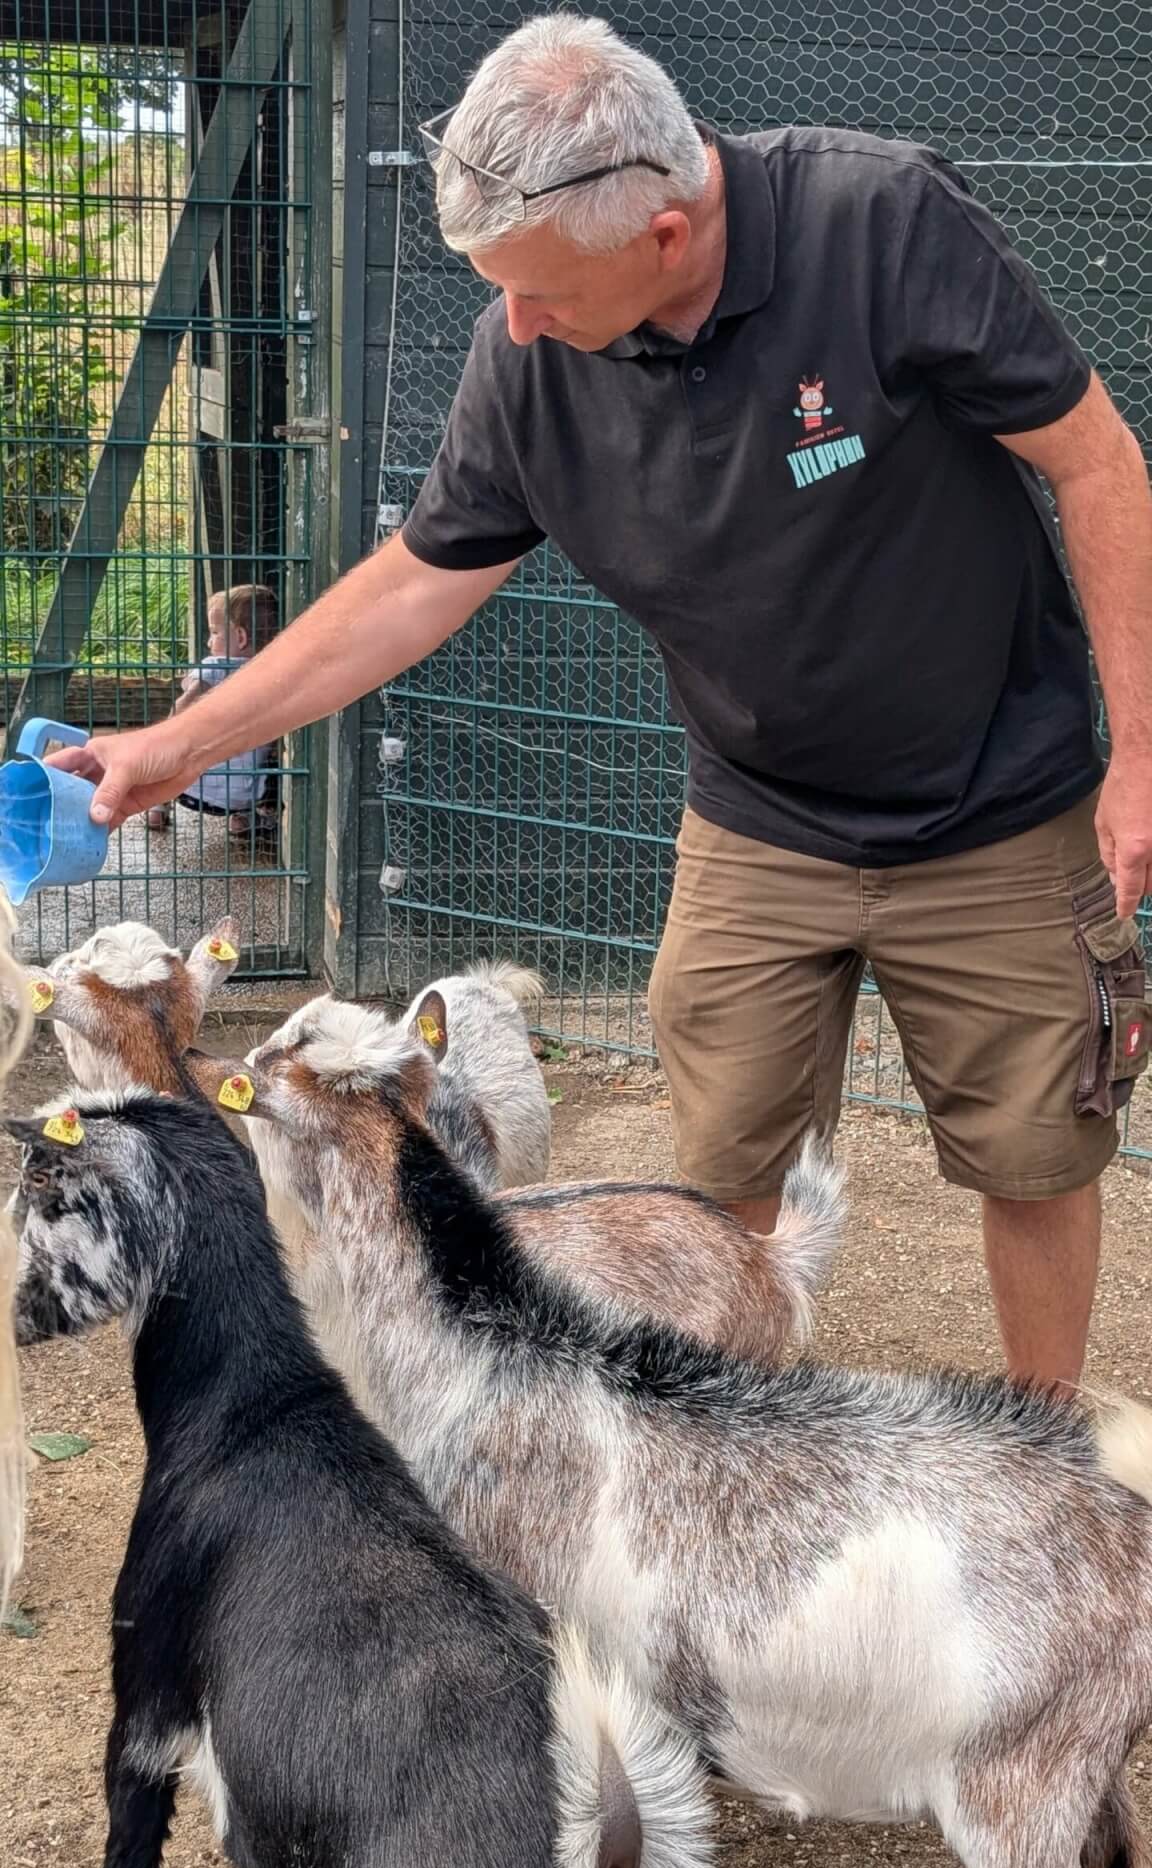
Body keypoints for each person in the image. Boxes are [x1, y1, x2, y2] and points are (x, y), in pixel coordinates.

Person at [51, 14, 1152, 1390]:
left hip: (997, 798)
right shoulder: (529, 352)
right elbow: (412, 586)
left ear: (664, 233)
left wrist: (1140, 752)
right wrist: (182, 743)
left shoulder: (883, 225)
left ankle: (1048, 1442)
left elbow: (1098, 463)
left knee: (1036, 1155)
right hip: (760, 815)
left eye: (538, 290)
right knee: (723, 1162)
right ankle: (726, 1440)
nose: (515, 324)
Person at [146, 583, 280, 851]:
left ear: (240, 637)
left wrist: (166, 735)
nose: (209, 642)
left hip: (189, 790)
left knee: (169, 751)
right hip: (244, 794)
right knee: (270, 761)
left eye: (214, 633)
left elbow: (184, 704)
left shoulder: (215, 667)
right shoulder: (273, 673)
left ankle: (158, 805)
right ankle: (244, 818)